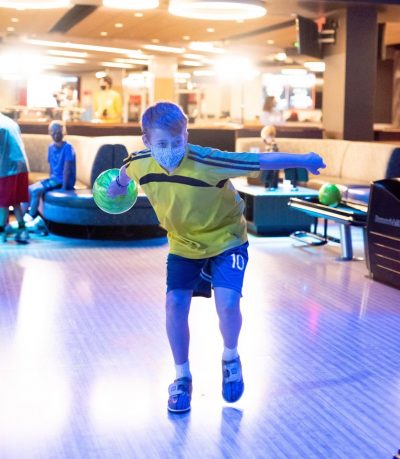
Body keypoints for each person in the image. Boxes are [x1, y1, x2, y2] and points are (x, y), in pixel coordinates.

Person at [107, 102, 325, 414]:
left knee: (228, 304)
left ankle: (231, 358)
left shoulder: (208, 161)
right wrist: (117, 188)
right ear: (146, 141)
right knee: (174, 304)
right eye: (162, 144)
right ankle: (182, 377)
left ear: (186, 135)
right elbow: (124, 174)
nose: (170, 151)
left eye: (177, 142)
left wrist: (303, 160)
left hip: (226, 238)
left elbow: (260, 160)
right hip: (183, 243)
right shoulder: (139, 162)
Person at [24, 121, 76, 231]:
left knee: (36, 190)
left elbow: (67, 170)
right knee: (29, 189)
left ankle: (31, 217)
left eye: (58, 132)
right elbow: (52, 167)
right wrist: (48, 182)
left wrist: (64, 188)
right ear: (49, 133)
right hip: (54, 179)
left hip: (63, 181)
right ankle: (23, 218)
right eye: (53, 132)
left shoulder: (68, 147)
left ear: (64, 132)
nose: (56, 134)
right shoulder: (51, 147)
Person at [0, 113, 30, 243]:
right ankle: (22, 230)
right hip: (21, 166)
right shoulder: (10, 122)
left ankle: (2, 233)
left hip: (6, 168)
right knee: (15, 200)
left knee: (3, 202)